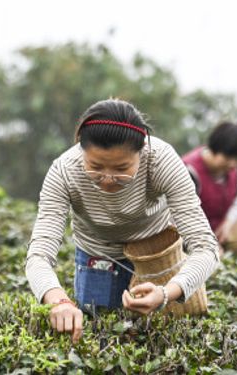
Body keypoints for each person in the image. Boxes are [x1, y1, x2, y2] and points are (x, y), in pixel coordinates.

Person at [25, 98, 219, 343]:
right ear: (81, 149)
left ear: (142, 152)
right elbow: (38, 256)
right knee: (99, 332)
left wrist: (166, 293)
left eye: (121, 168)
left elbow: (206, 248)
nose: (107, 179)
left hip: (154, 252)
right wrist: (59, 301)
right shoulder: (64, 171)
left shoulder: (162, 161)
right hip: (97, 252)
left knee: (155, 337)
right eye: (95, 166)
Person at [181, 122, 237, 248]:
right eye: (228, 157)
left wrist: (228, 222)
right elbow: (180, 218)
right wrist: (207, 247)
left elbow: (235, 201)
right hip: (190, 243)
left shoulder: (232, 172)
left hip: (217, 241)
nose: (233, 164)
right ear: (214, 149)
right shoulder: (189, 172)